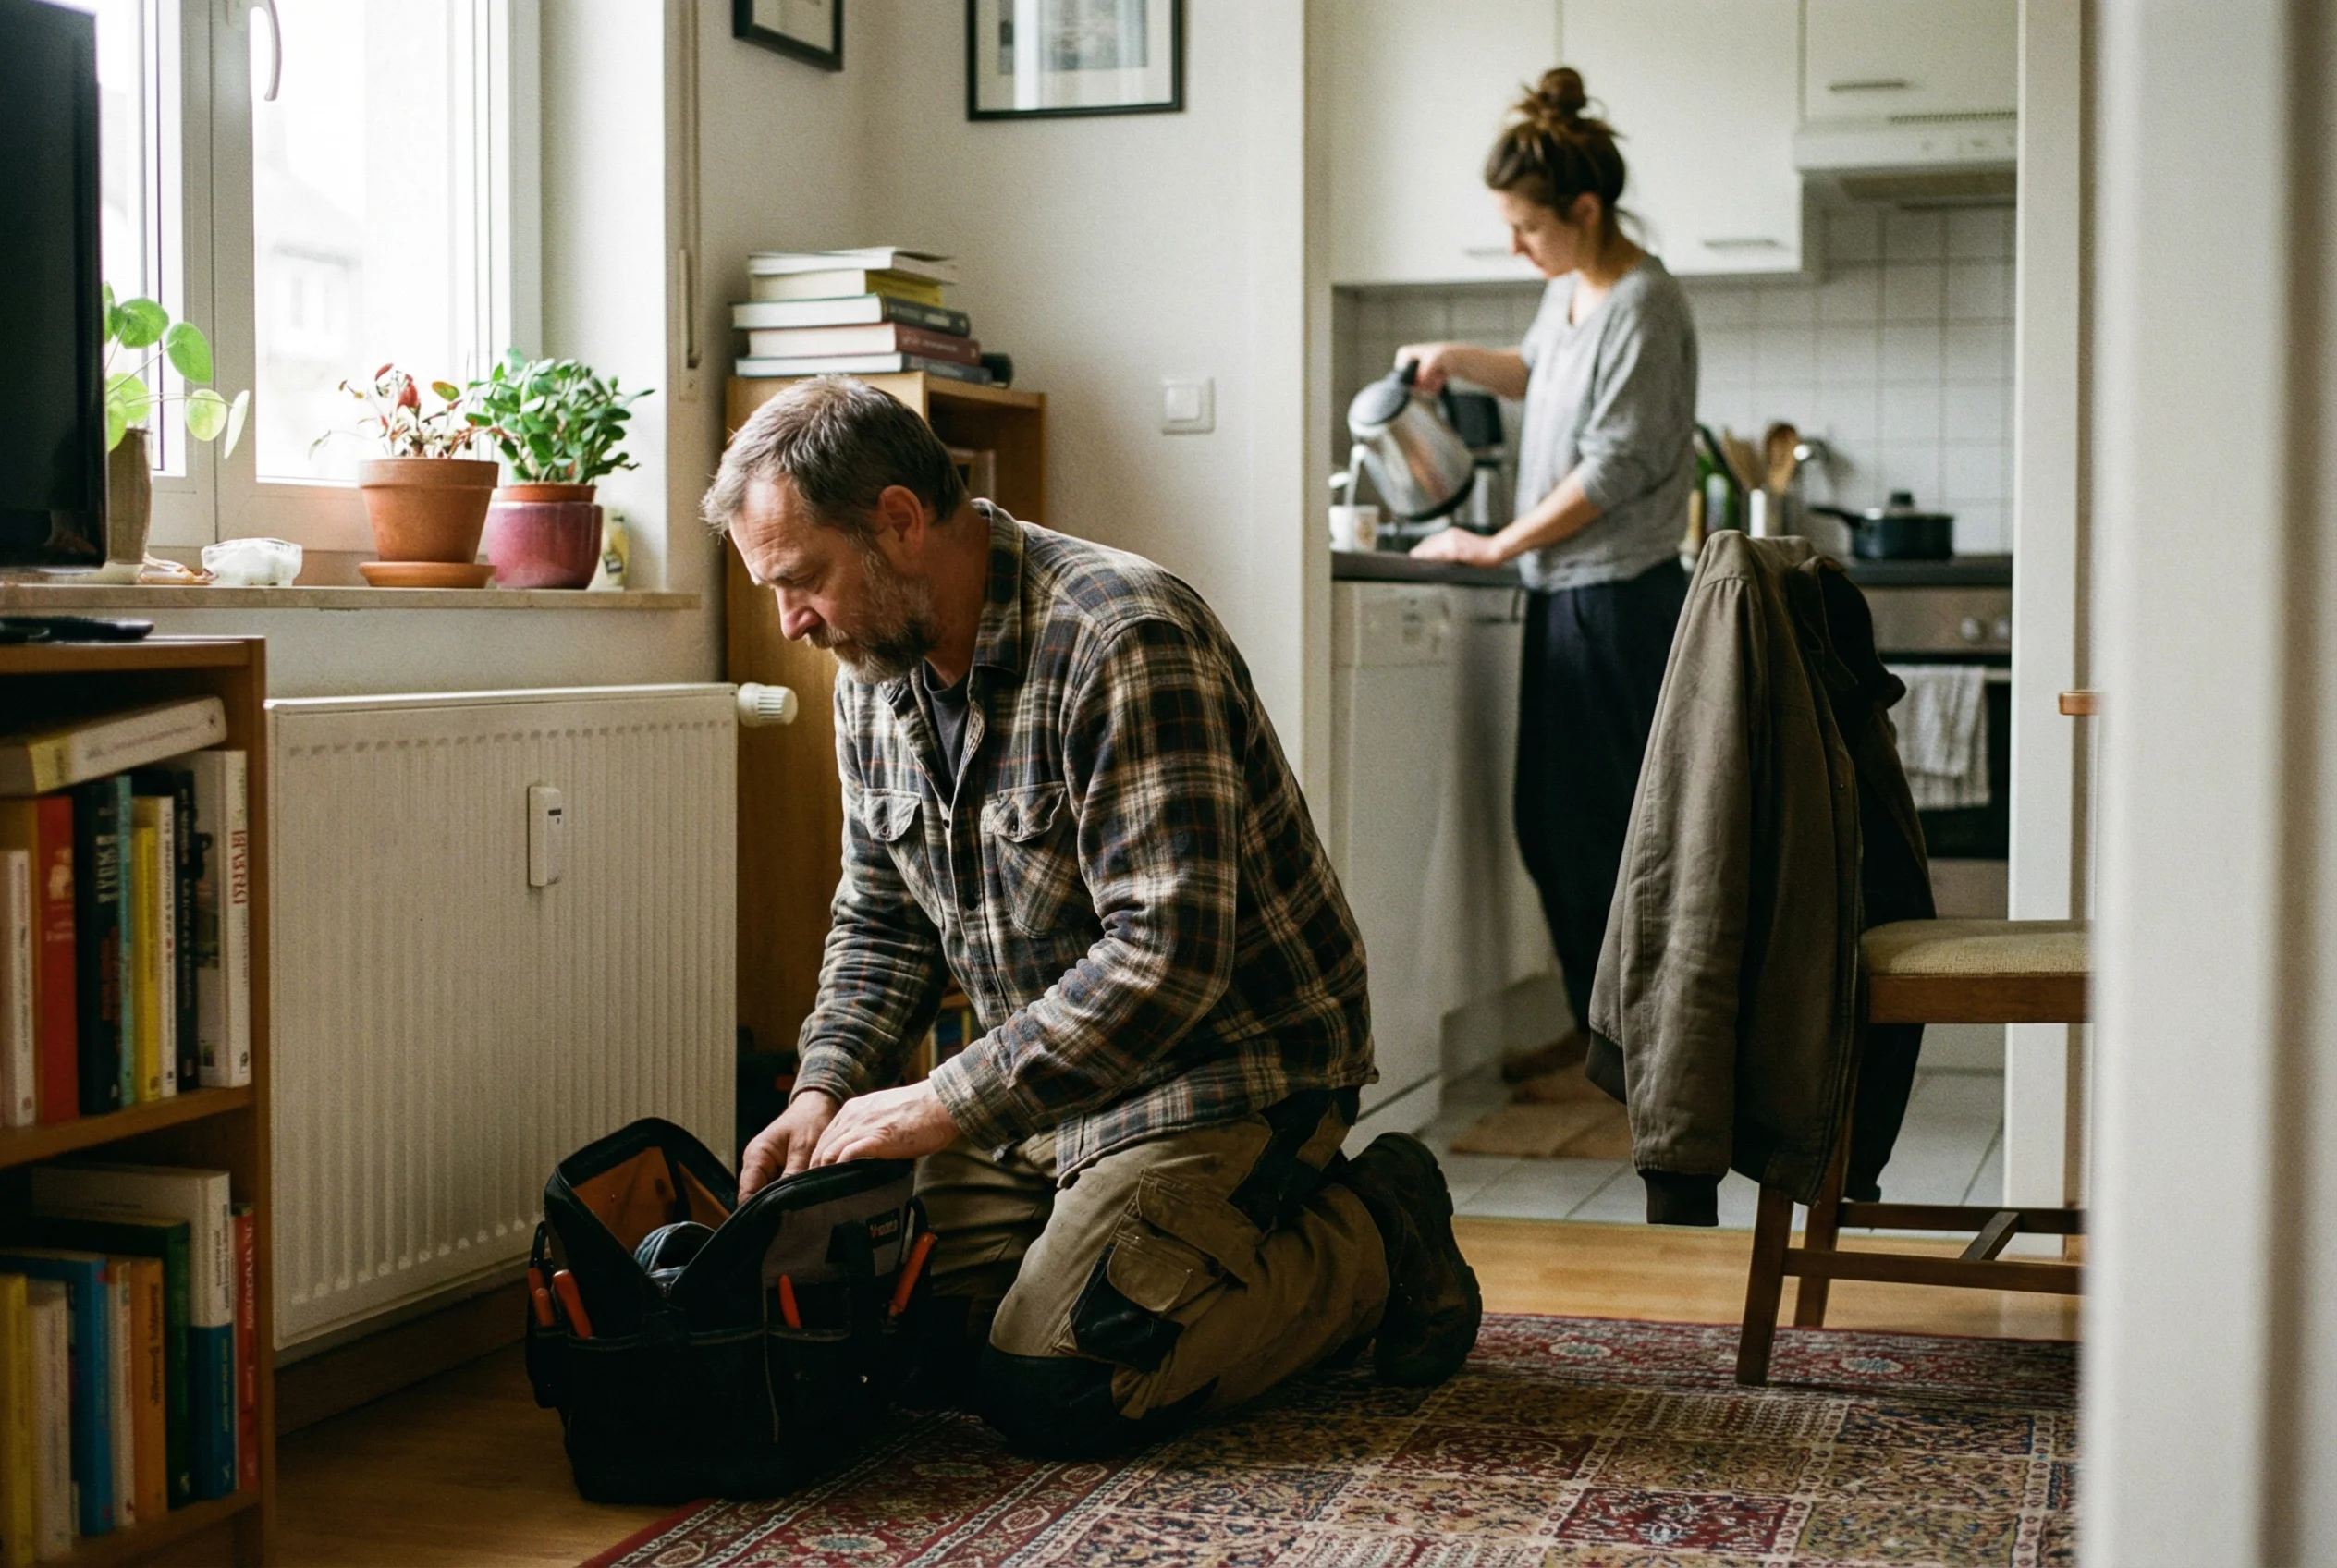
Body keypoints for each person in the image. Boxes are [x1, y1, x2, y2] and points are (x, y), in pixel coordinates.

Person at [703, 375, 1482, 1459]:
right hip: (1051, 1090)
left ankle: (1376, 1235)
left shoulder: (1121, 637)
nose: (791, 624)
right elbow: (880, 921)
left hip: (1228, 1068)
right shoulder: (870, 673)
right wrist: (823, 1083)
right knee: (923, 1347)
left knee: (1058, 1388)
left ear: (896, 520)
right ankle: (1167, 1246)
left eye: (802, 581)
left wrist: (938, 1100)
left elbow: (1166, 961)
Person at [1397, 67, 1699, 1077]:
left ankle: (1642, 1051)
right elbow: (1536, 371)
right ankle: (1602, 1037)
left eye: (1527, 229)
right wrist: (1456, 356)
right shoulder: (1572, 293)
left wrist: (1492, 544)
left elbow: (1613, 467)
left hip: (1620, 602)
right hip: (1565, 600)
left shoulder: (1645, 305)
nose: (1517, 249)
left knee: (1617, 840)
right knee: (1556, 831)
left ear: (1583, 208)